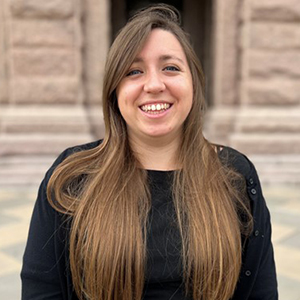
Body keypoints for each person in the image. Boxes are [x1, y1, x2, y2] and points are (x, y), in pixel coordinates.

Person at [21, 4, 278, 300]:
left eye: (170, 67)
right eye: (133, 71)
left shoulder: (234, 174)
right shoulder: (71, 176)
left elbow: (260, 292)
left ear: (193, 83)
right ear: (114, 92)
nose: (154, 85)